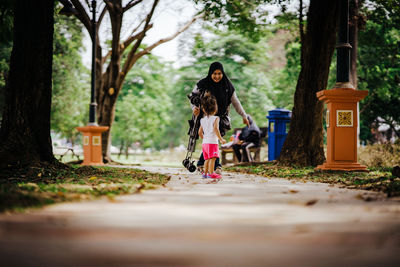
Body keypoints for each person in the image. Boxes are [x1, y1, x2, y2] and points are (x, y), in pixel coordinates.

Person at [189, 61, 249, 174]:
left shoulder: (228, 85)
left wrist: (244, 115)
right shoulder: (202, 84)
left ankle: (205, 164)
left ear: (223, 73)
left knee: (212, 143)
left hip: (220, 119)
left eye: (219, 73)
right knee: (212, 143)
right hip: (205, 118)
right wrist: (194, 108)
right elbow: (192, 98)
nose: (217, 76)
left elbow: (236, 102)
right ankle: (215, 166)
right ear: (210, 73)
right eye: (214, 73)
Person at [198, 95, 226, 179]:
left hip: (205, 143)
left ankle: (205, 173)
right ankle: (211, 173)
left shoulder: (202, 120)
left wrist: (205, 138)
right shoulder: (216, 118)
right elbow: (216, 129)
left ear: (203, 109)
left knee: (206, 159)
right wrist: (221, 139)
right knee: (213, 158)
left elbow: (199, 132)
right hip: (212, 142)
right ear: (215, 108)